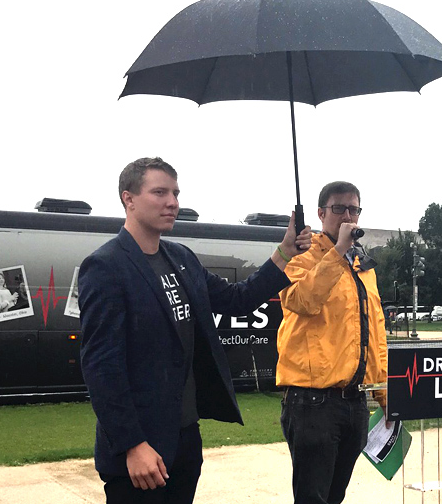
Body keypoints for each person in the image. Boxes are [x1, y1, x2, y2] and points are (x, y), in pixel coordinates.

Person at [79, 157, 311, 504]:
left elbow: (236, 299)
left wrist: (284, 253)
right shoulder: (105, 266)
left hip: (185, 440)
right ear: (128, 199)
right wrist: (132, 445)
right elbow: (102, 367)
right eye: (159, 192)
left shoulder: (181, 257)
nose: (172, 202)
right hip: (139, 451)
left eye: (175, 192)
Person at [277, 181, 388, 504]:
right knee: (313, 498)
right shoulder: (301, 255)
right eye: (339, 209)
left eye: (354, 209)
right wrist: (337, 251)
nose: (348, 216)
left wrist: (383, 393)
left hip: (354, 403)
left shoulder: (362, 266)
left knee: (335, 496)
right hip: (312, 404)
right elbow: (302, 301)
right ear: (320, 213)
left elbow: (375, 332)